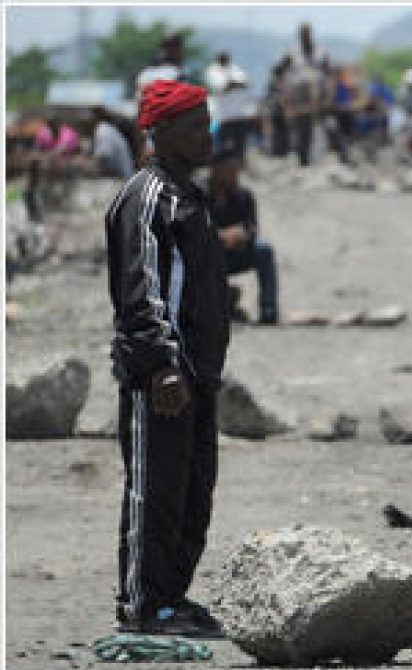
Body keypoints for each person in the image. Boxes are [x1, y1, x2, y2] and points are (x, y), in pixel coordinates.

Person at [105, 80, 230, 638]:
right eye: (197, 127)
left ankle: (172, 598)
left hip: (198, 377)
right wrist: (163, 364)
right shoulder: (148, 196)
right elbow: (144, 288)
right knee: (153, 491)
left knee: (192, 491)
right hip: (162, 379)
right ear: (164, 133)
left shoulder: (189, 197)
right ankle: (143, 604)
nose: (209, 137)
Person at [208, 149, 279, 325]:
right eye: (230, 171)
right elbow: (192, 230)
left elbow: (252, 227)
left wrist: (242, 236)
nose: (234, 175)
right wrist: (221, 236)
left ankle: (268, 309)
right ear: (216, 171)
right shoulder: (198, 194)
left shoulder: (243, 196)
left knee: (264, 250)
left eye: (236, 170)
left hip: (236, 252)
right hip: (208, 257)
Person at [282, 23, 327, 166]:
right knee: (300, 129)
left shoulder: (320, 51)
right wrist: (286, 99)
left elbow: (329, 73)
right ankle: (302, 159)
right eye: (302, 33)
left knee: (315, 130)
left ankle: (314, 159)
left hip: (316, 96)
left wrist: (327, 96)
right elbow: (283, 73)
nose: (305, 36)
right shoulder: (293, 53)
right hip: (297, 97)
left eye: (307, 33)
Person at [91, 106, 135, 179]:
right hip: (124, 175)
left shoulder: (103, 130)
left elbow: (104, 155)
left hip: (122, 178)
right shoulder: (107, 128)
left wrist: (87, 163)